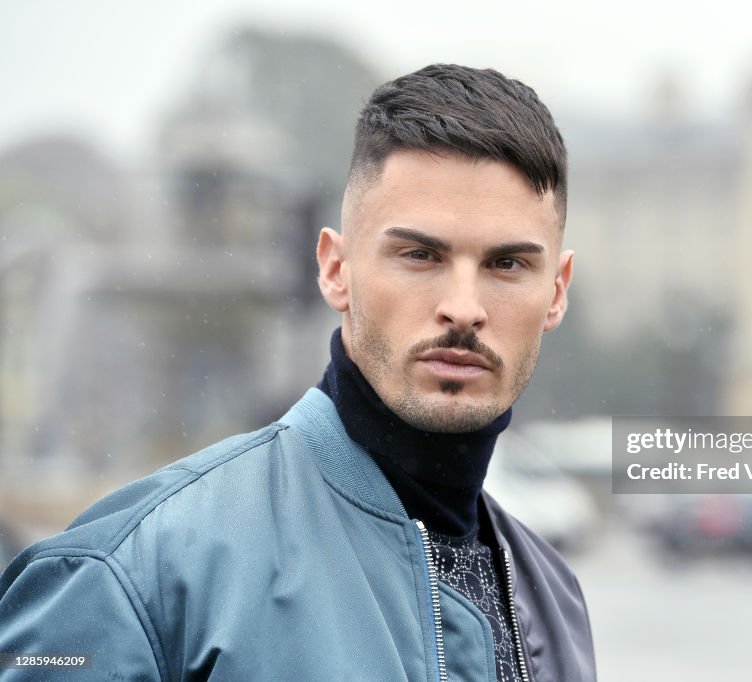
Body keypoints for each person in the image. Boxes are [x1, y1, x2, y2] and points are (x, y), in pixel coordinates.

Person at [0, 64, 596, 681]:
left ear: (556, 292)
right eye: (420, 255)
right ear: (335, 269)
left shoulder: (553, 595)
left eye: (506, 264)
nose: (464, 307)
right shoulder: (137, 577)